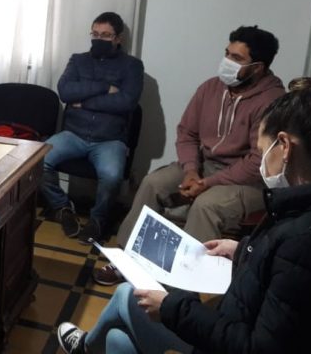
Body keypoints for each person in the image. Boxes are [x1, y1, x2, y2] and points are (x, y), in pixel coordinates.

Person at [57, 78, 311, 353]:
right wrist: (245, 250)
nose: (263, 161)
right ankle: (88, 347)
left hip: (230, 339)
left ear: (285, 147)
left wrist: (172, 308)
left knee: (128, 296)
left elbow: (257, 346)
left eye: (263, 151)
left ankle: (85, 347)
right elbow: (284, 270)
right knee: (118, 341)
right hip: (240, 318)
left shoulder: (310, 241)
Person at [94, 26, 284, 285]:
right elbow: (187, 133)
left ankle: (180, 283)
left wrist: (207, 183)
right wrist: (191, 170)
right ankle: (128, 260)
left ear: (258, 68)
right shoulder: (210, 88)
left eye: (237, 58)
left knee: (207, 205)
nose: (227, 62)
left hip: (249, 181)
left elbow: (257, 162)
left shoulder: (273, 102)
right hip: (204, 167)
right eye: (227, 53)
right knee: (153, 184)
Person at [41, 12, 143, 244]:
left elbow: (126, 102)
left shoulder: (132, 66)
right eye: (95, 34)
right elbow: (65, 91)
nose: (99, 39)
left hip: (110, 139)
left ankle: (97, 220)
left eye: (105, 35)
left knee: (112, 176)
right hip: (73, 133)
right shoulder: (78, 60)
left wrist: (84, 102)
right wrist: (106, 87)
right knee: (37, 159)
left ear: (118, 38)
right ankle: (62, 207)